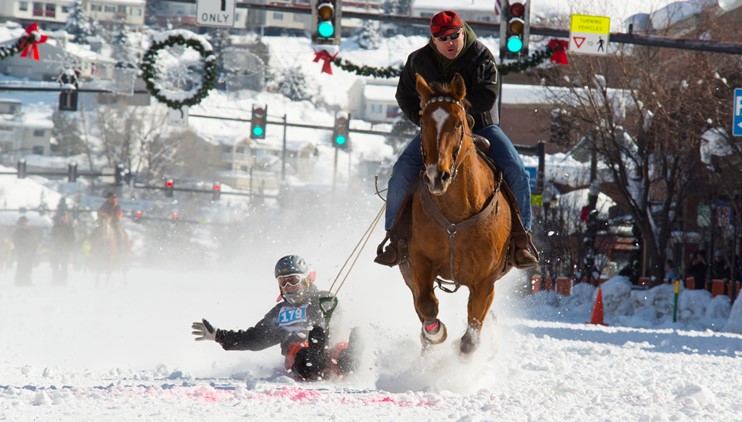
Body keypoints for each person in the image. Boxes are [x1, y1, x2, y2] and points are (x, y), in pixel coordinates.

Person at [375, 10, 538, 269]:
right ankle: (395, 240)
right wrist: (426, 123)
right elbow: (404, 94)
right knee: (401, 172)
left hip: (483, 127)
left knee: (517, 171)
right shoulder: (417, 60)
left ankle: (521, 240)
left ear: (462, 32)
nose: (450, 42)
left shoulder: (481, 55)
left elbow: (487, 95)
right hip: (437, 133)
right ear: (433, 39)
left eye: (454, 35)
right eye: (442, 38)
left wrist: (459, 117)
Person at [191, 255, 362, 380]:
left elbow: (338, 322)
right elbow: (254, 339)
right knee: (304, 354)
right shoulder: (280, 313)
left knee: (341, 353)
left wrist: (322, 321)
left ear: (305, 280)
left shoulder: (323, 299)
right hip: (299, 359)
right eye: (283, 282)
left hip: (330, 350)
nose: (288, 287)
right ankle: (314, 353)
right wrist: (218, 336)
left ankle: (353, 352)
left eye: (293, 280)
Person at [50, 211, 76, 284]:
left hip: (65, 249)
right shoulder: (56, 226)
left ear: (67, 218)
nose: (64, 219)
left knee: (64, 265)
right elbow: (52, 235)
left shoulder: (70, 228)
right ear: (61, 218)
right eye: (63, 217)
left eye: (66, 217)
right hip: (57, 248)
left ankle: (63, 281)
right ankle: (54, 280)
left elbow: (72, 239)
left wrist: (69, 247)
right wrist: (55, 242)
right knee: (55, 265)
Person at [12, 216, 38, 286]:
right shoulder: (18, 231)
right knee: (21, 266)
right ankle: (19, 281)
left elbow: (33, 240)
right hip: (22, 252)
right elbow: (16, 242)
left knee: (28, 267)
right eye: (24, 222)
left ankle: (27, 281)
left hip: (30, 252)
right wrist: (20, 250)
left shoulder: (29, 231)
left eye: (26, 222)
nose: (26, 223)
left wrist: (33, 249)